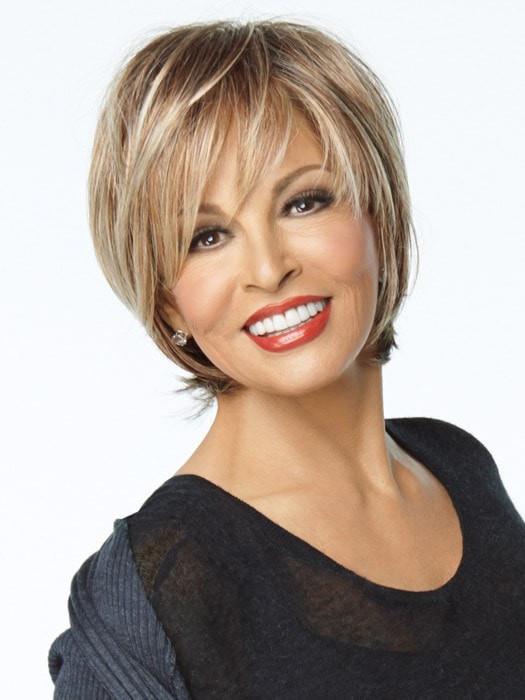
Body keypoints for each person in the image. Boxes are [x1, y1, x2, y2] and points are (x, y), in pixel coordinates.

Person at [48, 18, 525, 698]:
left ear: (378, 216)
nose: (269, 268)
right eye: (206, 237)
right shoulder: (160, 589)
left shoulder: (461, 470)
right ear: (166, 299)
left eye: (303, 202)